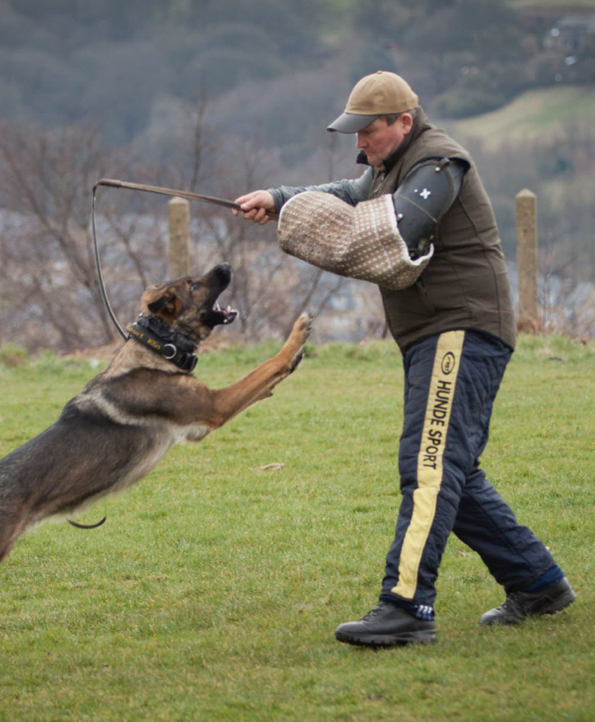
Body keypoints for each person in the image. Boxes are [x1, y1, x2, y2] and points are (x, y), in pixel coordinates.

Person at [235, 71, 574, 647]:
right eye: (356, 133)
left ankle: (406, 605)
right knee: (450, 470)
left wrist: (319, 228)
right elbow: (350, 192)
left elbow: (401, 228)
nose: (360, 143)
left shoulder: (439, 162)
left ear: (403, 123)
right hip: (433, 333)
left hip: (460, 329)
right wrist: (282, 200)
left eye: (368, 132)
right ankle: (537, 582)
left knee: (428, 468)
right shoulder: (391, 167)